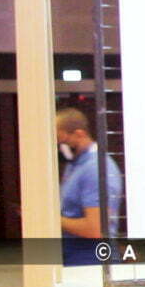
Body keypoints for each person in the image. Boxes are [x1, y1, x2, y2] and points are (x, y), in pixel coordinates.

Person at [56, 107, 122, 266]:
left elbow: (96, 228)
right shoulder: (75, 164)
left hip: (92, 263)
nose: (58, 146)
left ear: (79, 134)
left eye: (60, 140)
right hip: (74, 257)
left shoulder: (95, 168)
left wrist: (50, 219)